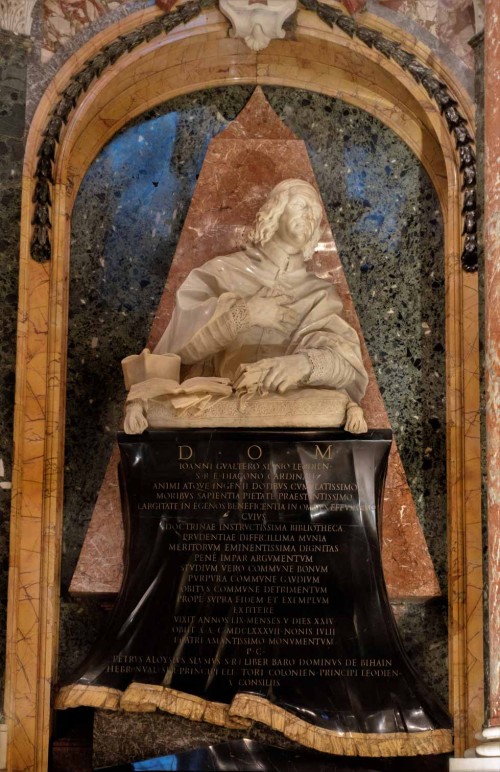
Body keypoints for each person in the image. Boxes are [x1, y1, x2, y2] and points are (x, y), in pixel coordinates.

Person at [124, 179, 368, 433]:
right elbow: (176, 351)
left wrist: (303, 365)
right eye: (301, 205)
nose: (310, 215)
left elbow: (349, 368)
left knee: (332, 408)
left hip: (287, 411)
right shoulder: (223, 272)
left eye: (316, 213)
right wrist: (245, 314)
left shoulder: (321, 294)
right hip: (218, 409)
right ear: (275, 210)